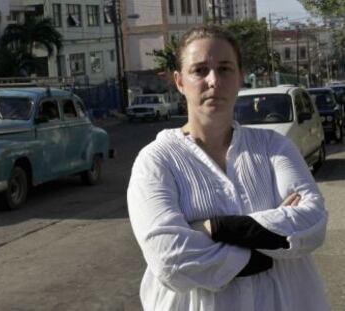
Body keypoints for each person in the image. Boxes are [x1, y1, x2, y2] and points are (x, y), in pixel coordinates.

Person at [127, 25, 329, 311]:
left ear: (240, 77)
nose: (214, 81)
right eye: (199, 70)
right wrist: (261, 251)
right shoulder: (157, 161)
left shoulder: (274, 147)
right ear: (179, 81)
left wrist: (214, 227)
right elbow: (169, 258)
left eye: (224, 69)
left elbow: (312, 223)